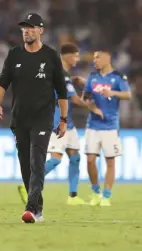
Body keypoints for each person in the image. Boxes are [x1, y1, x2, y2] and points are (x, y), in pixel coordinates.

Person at [0, 13, 68, 223]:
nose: (27, 30)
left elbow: (61, 91)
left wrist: (63, 119)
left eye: (31, 27)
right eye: (24, 27)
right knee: (26, 165)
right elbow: (1, 83)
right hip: (19, 119)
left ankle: (31, 208)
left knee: (37, 161)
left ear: (41, 30)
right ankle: (39, 209)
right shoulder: (14, 54)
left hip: (43, 118)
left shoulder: (51, 56)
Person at [17, 43, 104, 205]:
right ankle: (27, 184)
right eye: (76, 55)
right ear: (68, 56)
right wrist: (93, 107)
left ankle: (73, 196)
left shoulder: (63, 75)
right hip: (57, 123)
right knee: (56, 159)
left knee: (75, 157)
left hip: (67, 123)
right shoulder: (61, 75)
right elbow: (76, 100)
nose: (77, 59)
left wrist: (74, 81)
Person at [82, 49, 131, 207]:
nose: (94, 60)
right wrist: (93, 108)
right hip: (93, 125)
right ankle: (96, 192)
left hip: (110, 126)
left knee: (110, 161)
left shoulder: (118, 77)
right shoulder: (92, 77)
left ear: (106, 59)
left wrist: (112, 92)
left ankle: (106, 195)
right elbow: (85, 97)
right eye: (94, 58)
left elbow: (127, 95)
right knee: (90, 160)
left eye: (97, 58)